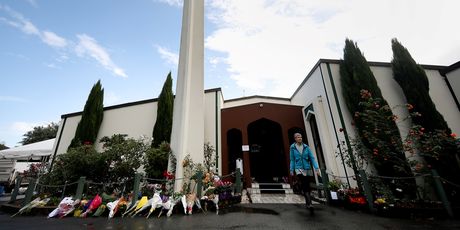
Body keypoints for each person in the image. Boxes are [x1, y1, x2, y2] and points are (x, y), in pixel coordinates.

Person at [290, 133, 320, 215]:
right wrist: (291, 169)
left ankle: (307, 202)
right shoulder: (292, 148)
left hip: (307, 168)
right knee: (304, 183)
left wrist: (316, 168)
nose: (300, 138)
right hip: (298, 168)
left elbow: (312, 158)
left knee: (307, 184)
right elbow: (292, 160)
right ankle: (310, 203)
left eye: (301, 137)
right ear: (295, 139)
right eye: (298, 137)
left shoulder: (306, 147)